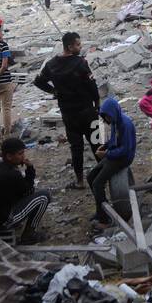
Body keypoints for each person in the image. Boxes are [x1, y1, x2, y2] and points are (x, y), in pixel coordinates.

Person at [33, 30, 100, 190]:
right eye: (78, 44)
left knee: (75, 147)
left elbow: (38, 81)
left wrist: (53, 91)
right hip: (87, 111)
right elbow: (92, 86)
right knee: (98, 143)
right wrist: (97, 104)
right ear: (69, 47)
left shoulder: (51, 65)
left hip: (68, 113)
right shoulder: (81, 63)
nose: (80, 46)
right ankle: (107, 173)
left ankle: (79, 181)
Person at [0, 137, 51, 239]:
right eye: (20, 154)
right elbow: (28, 191)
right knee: (44, 197)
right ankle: (29, 235)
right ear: (9, 156)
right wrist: (30, 168)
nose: (23, 157)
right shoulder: (11, 174)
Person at [88, 97, 136, 226]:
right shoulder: (115, 121)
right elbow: (114, 140)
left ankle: (105, 217)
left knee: (98, 183)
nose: (107, 120)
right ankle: (101, 209)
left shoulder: (125, 124)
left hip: (122, 158)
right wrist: (105, 146)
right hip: (114, 155)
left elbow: (125, 150)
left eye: (107, 116)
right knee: (90, 177)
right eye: (105, 117)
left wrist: (107, 153)